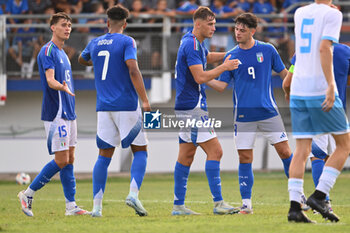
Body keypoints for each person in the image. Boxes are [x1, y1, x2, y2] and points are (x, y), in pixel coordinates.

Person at [207, 12, 293, 214]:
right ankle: (247, 204)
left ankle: (298, 198)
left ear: (252, 31)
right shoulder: (231, 56)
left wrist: (292, 89)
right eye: (236, 29)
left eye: (242, 30)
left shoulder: (268, 50)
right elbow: (221, 86)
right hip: (244, 117)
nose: (238, 33)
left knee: (286, 153)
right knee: (245, 158)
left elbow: (284, 74)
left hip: (269, 113)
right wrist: (202, 78)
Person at [78, 5, 151, 218]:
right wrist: (145, 100)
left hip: (104, 107)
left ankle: (97, 208)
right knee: (141, 150)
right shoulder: (127, 41)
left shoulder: (95, 42)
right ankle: (133, 194)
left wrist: (96, 59)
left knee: (103, 157)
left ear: (107, 22)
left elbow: (82, 59)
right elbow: (133, 68)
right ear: (125, 24)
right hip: (127, 104)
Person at [283, 0, 350, 223]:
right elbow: (324, 48)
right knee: (344, 145)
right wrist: (331, 84)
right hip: (318, 89)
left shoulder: (300, 12)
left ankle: (294, 208)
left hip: (299, 89)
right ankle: (320, 196)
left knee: (302, 149)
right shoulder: (333, 14)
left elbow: (304, 50)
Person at [17, 12, 89, 217]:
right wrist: (62, 87)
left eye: (69, 25)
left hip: (69, 111)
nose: (68, 28)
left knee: (70, 158)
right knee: (61, 159)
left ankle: (71, 206)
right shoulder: (47, 51)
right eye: (64, 25)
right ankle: (28, 193)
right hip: (56, 113)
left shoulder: (64, 53)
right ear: (53, 27)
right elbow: (50, 80)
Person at [172, 6, 240, 216]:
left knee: (186, 155)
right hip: (193, 108)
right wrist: (226, 66)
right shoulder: (192, 45)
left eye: (214, 23)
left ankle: (178, 206)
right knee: (216, 151)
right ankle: (218, 203)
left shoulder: (192, 41)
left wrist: (230, 53)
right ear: (198, 23)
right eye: (210, 24)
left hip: (185, 106)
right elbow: (200, 77)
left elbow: (207, 56)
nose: (214, 27)